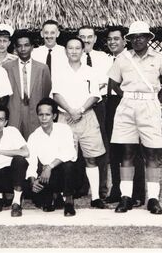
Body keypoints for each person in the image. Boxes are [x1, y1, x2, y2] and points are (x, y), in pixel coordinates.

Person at [108, 21, 162, 214]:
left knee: (152, 154)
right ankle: (125, 197)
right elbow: (113, 83)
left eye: (141, 36)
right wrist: (129, 98)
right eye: (133, 37)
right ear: (129, 40)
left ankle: (153, 199)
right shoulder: (122, 58)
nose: (137, 40)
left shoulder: (160, 58)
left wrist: (155, 102)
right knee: (127, 153)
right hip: (127, 107)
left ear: (148, 38)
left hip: (150, 107)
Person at [53, 37, 106, 209]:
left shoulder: (90, 71)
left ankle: (96, 197)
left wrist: (80, 111)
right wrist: (70, 111)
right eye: (71, 48)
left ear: (83, 50)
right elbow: (56, 94)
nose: (74, 51)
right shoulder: (59, 70)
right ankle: (64, 196)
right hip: (65, 118)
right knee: (64, 158)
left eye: (78, 48)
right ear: (65, 51)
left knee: (91, 158)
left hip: (87, 117)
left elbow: (95, 95)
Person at [105, 26, 145, 206]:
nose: (112, 42)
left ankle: (136, 193)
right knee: (114, 150)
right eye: (109, 39)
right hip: (110, 105)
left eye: (116, 39)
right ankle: (116, 190)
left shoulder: (131, 59)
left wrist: (126, 98)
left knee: (131, 150)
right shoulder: (104, 59)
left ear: (124, 41)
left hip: (127, 104)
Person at [77, 25, 113, 199]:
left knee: (100, 144)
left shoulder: (104, 58)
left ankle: (102, 188)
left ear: (95, 39)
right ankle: (81, 187)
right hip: (78, 104)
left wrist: (91, 87)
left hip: (99, 104)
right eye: (82, 37)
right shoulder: (74, 56)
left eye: (89, 36)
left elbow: (104, 82)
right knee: (78, 143)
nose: (86, 40)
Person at [26, 98, 77, 216]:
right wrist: (33, 182)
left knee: (68, 165)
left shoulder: (64, 129)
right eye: (41, 115)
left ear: (54, 116)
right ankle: (54, 195)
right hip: (46, 176)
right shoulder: (34, 136)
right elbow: (31, 162)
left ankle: (69, 201)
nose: (44, 118)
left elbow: (70, 153)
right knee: (40, 201)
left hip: (65, 173)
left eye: (47, 115)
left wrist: (49, 167)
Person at [3, 30, 52, 140]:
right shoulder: (7, 68)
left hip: (35, 113)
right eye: (19, 46)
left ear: (32, 47)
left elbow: (46, 93)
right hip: (13, 113)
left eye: (26, 45)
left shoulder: (42, 68)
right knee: (13, 145)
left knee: (35, 145)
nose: (23, 49)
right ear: (15, 48)